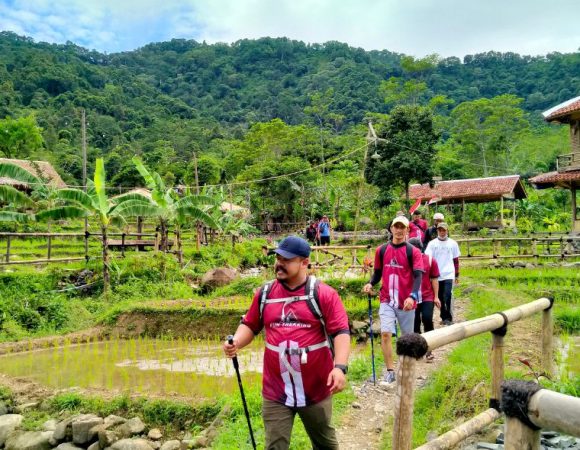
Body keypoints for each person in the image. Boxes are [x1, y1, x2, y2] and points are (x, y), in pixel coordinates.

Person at [223, 236, 350, 450]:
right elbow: (250, 325)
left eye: (287, 259)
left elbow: (341, 332)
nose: (279, 263)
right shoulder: (265, 294)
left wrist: (340, 368)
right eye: (278, 258)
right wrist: (236, 341)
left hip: (316, 387)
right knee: (275, 446)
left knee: (325, 445)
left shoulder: (323, 294)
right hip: (276, 390)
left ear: (304, 262)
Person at [362, 216, 423, 383]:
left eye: (402, 227)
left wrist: (412, 296)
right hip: (387, 299)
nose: (398, 230)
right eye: (396, 226)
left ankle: (407, 370)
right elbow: (377, 274)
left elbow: (418, 277)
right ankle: (390, 371)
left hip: (406, 302)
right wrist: (370, 283)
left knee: (407, 339)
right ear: (391, 229)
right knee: (386, 334)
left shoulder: (413, 252)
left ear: (407, 230)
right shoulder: (381, 250)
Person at [408, 237, 441, 361]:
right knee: (415, 324)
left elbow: (434, 279)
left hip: (427, 295)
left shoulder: (430, 260)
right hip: (412, 297)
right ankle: (419, 350)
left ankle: (429, 348)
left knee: (427, 319)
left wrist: (436, 297)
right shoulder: (406, 261)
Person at [424, 222, 460, 326]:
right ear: (437, 231)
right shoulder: (432, 244)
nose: (442, 232)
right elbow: (428, 259)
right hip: (436, 275)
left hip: (449, 273)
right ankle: (443, 315)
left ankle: (448, 318)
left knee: (447, 295)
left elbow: (456, 260)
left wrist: (457, 274)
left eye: (444, 230)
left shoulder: (453, 243)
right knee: (439, 297)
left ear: (447, 230)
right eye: (440, 230)